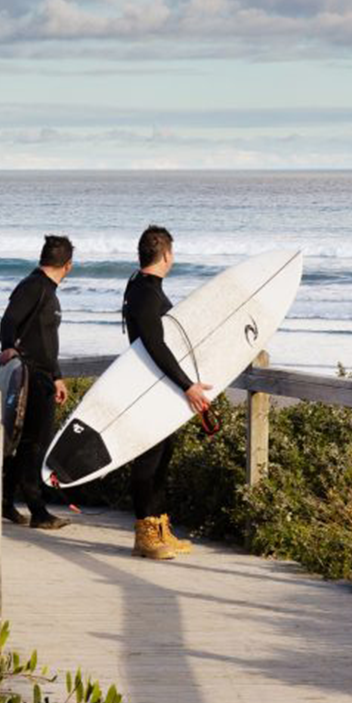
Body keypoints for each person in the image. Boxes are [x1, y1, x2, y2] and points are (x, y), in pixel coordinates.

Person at [122, 225, 211, 560]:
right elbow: (154, 345)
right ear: (168, 255)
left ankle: (160, 528)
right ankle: (145, 534)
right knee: (149, 459)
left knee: (163, 456)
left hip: (160, 386)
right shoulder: (146, 293)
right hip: (149, 386)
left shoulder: (144, 288)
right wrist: (187, 385)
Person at [0, 234, 73, 529]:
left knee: (29, 443)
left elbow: (46, 341)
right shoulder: (33, 286)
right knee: (34, 444)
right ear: (68, 265)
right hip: (29, 378)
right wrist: (9, 348)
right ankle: (38, 511)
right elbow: (9, 320)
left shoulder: (45, 290)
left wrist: (56, 377)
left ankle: (5, 502)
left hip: (43, 376)